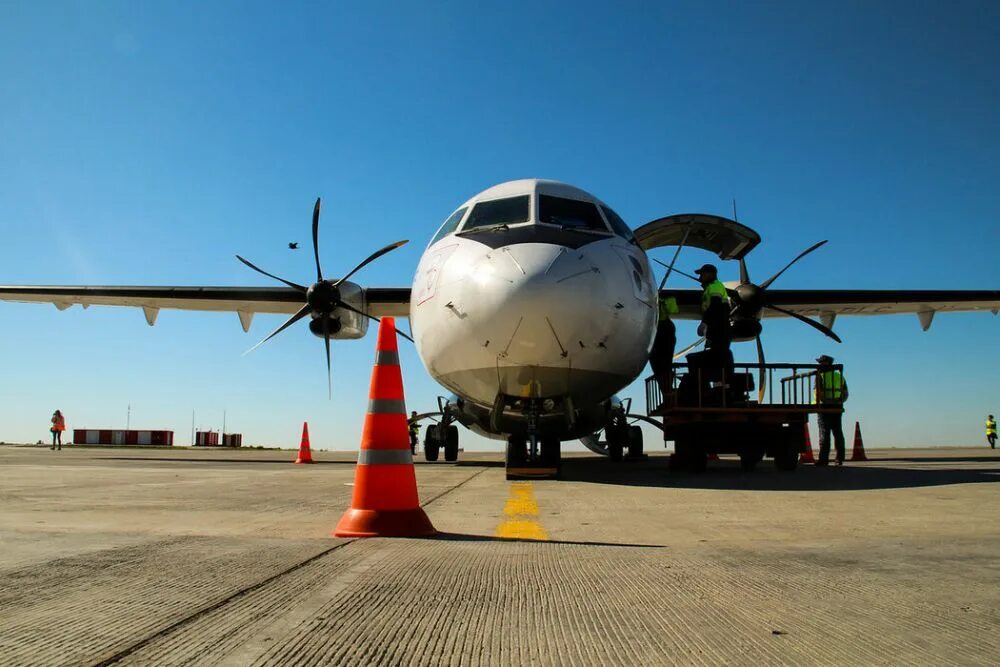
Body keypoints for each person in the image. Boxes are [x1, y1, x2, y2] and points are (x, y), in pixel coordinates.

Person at [814, 355, 848, 465]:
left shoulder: (820, 375)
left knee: (824, 433)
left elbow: (817, 392)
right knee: (838, 432)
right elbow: (845, 393)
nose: (819, 365)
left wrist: (825, 401)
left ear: (825, 363)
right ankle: (840, 458)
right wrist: (838, 401)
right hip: (837, 407)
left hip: (824, 407)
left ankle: (823, 459)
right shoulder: (839, 375)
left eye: (820, 363)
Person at [649, 294, 678, 402]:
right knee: (662, 366)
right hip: (662, 328)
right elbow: (674, 309)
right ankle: (667, 395)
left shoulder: (660, 298)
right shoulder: (664, 298)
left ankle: (668, 395)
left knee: (661, 366)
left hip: (661, 329)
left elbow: (673, 309)